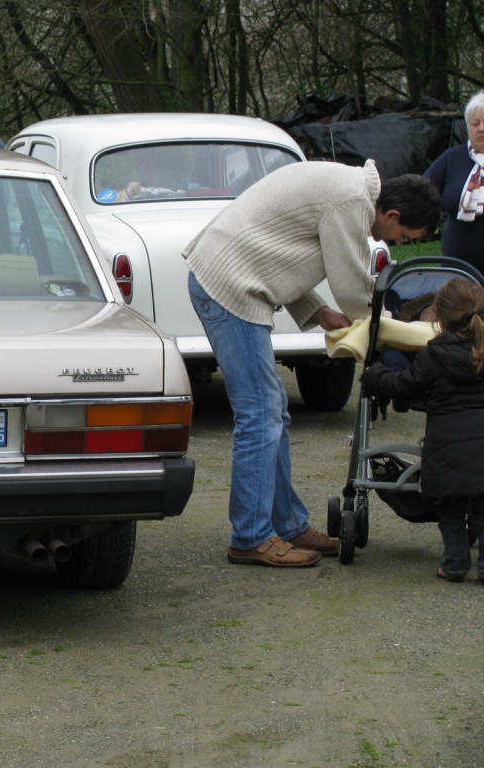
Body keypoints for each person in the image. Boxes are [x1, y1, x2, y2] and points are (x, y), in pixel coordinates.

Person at [184, 160, 442, 567]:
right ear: (392, 215)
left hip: (235, 278)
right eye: (404, 235)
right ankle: (250, 537)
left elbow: (278, 251)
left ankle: (288, 525)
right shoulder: (352, 200)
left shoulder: (348, 189)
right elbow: (354, 292)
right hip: (228, 287)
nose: (399, 242)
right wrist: (399, 331)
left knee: (273, 413)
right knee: (260, 415)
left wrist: (318, 311)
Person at [362, 278, 484, 582]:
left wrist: (375, 374)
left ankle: (454, 564)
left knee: (450, 512)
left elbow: (404, 385)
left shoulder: (434, 356)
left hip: (447, 453)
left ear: (438, 318)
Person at [423, 91, 484, 269]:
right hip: (458, 263)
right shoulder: (452, 158)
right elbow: (420, 190)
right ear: (468, 128)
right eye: (475, 123)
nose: (481, 128)